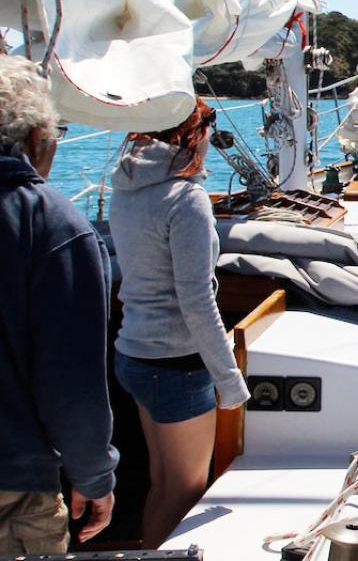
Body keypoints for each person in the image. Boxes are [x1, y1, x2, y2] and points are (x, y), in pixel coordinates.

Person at [109, 101, 249, 547]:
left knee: (162, 484)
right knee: (186, 491)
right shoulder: (186, 199)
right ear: (193, 134)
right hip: (175, 364)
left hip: (133, 354)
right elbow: (197, 300)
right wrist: (229, 381)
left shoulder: (128, 186)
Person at [0, 55, 118, 553]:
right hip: (13, 480)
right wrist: (94, 476)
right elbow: (71, 381)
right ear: (35, 141)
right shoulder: (50, 223)